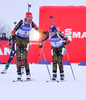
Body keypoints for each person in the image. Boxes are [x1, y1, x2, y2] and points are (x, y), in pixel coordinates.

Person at [11, 12, 45, 81]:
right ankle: (19, 75)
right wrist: (14, 37)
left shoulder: (32, 23)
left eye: (31, 19)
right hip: (18, 41)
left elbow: (38, 30)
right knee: (18, 58)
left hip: (26, 42)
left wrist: (46, 32)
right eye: (29, 19)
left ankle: (28, 75)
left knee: (24, 59)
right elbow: (13, 31)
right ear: (26, 18)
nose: (30, 20)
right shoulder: (21, 22)